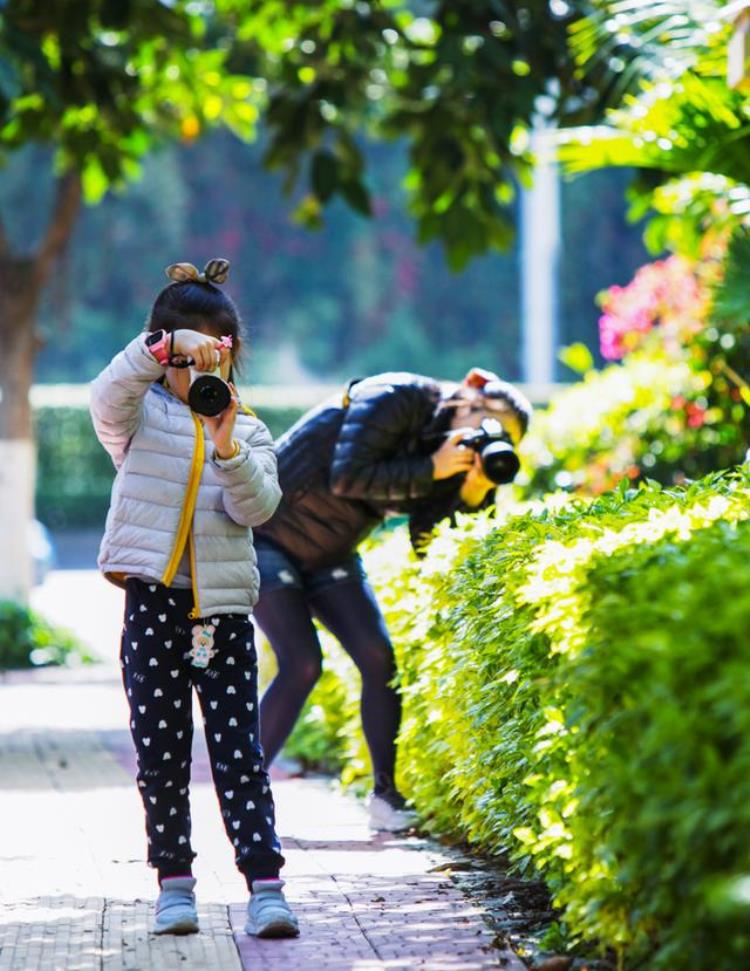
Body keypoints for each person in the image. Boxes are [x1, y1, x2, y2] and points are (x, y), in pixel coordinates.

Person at [89, 258, 299, 938]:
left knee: (239, 749)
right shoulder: (139, 419)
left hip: (224, 614)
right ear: (166, 353)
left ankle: (265, 884)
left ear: (232, 356)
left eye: (213, 355)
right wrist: (156, 351)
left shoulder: (251, 430)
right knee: (161, 750)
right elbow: (105, 398)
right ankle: (173, 883)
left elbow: (259, 507)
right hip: (154, 605)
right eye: (186, 356)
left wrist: (226, 443)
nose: (197, 374)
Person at [253, 367, 532, 830]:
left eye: (502, 437)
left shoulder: (453, 456)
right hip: (268, 532)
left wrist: (473, 490)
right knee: (302, 661)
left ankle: (386, 796)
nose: (480, 435)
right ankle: (245, 789)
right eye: (485, 422)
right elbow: (349, 475)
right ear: (469, 393)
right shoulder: (397, 395)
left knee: (379, 657)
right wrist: (433, 468)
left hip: (332, 550)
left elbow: (429, 542)